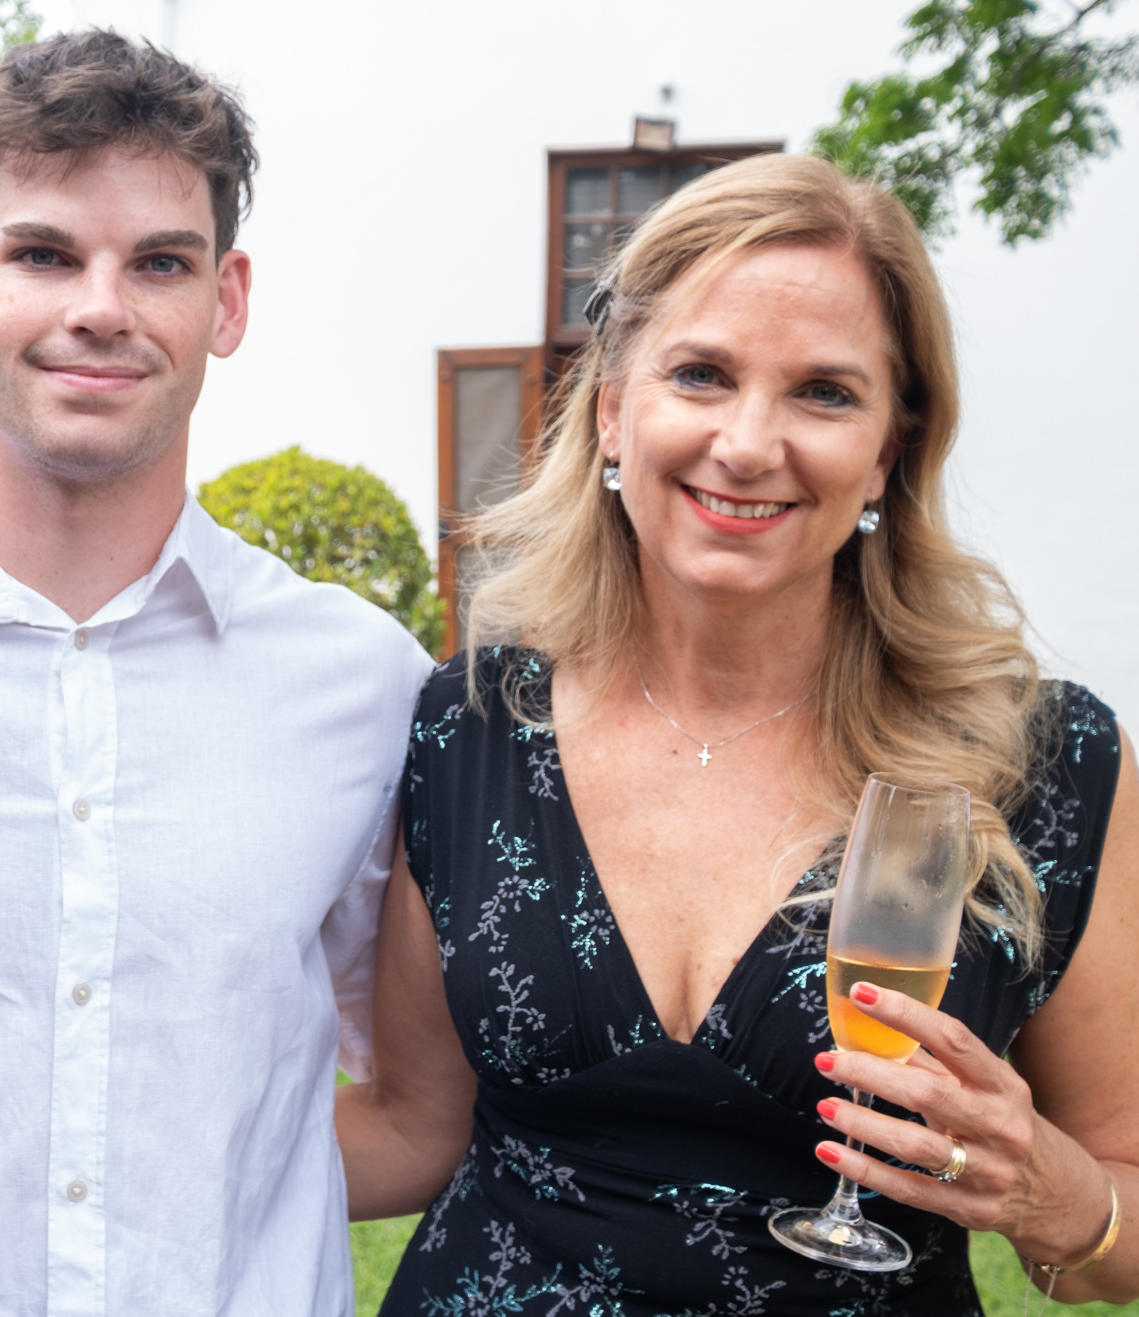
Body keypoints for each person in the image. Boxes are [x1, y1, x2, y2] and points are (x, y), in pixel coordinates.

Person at [337, 153, 1137, 1314]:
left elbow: (1114, 1224)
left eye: (825, 393)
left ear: (890, 449)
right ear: (613, 410)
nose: (751, 443)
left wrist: (1060, 1197)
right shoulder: (473, 725)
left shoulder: (1038, 763)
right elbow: (415, 1128)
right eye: (702, 375)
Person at [0, 30, 432, 1314]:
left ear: (226, 301)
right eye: (46, 254)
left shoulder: (365, 688)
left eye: (159, 262)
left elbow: (424, 1109)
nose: (101, 307)